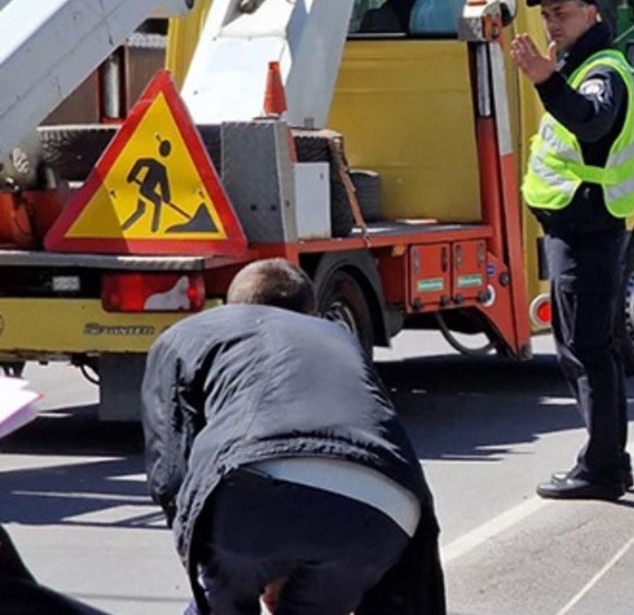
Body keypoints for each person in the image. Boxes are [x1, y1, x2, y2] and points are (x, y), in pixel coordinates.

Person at [141, 259, 445, 614]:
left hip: (249, 504)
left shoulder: (186, 336)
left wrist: (208, 558)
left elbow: (170, 473)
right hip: (385, 510)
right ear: (311, 312)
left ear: (230, 306)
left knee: (216, 601)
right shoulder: (338, 337)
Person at [512, 0, 634, 501]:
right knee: (590, 349)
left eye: (562, 11)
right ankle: (609, 460)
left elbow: (591, 123)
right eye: (546, 13)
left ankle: (603, 466)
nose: (552, 21)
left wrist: (546, 81)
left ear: (591, 13)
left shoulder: (602, 71)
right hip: (578, 227)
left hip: (588, 229)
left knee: (587, 351)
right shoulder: (578, 65)